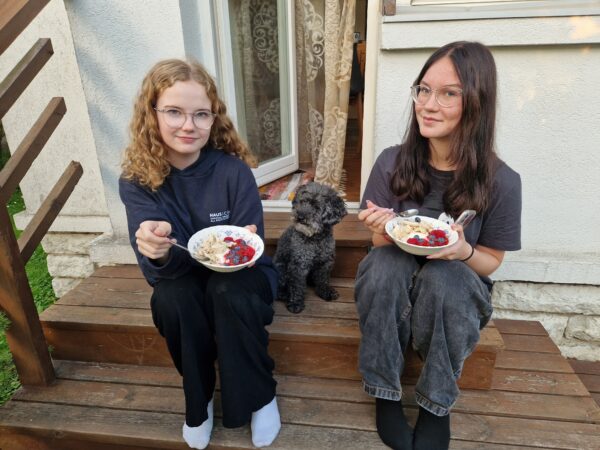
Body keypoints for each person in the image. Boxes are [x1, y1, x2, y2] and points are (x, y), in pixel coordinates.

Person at [355, 41, 521, 450]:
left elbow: (490, 262)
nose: (428, 105)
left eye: (448, 94)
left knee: (447, 277)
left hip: (453, 295)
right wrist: (382, 226)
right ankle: (385, 394)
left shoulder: (502, 181)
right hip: (394, 282)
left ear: (477, 102)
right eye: (424, 90)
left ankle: (435, 405)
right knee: (385, 263)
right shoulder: (391, 162)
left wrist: (464, 252)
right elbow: (377, 242)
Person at [119, 59, 281, 449]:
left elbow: (250, 249)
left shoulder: (233, 172)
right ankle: (200, 397)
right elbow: (158, 272)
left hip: (241, 278)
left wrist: (240, 246)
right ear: (152, 114)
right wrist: (156, 250)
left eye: (201, 114)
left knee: (229, 292)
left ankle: (260, 395)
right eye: (174, 112)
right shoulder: (137, 181)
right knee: (172, 298)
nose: (188, 125)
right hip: (181, 277)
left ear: (213, 118)